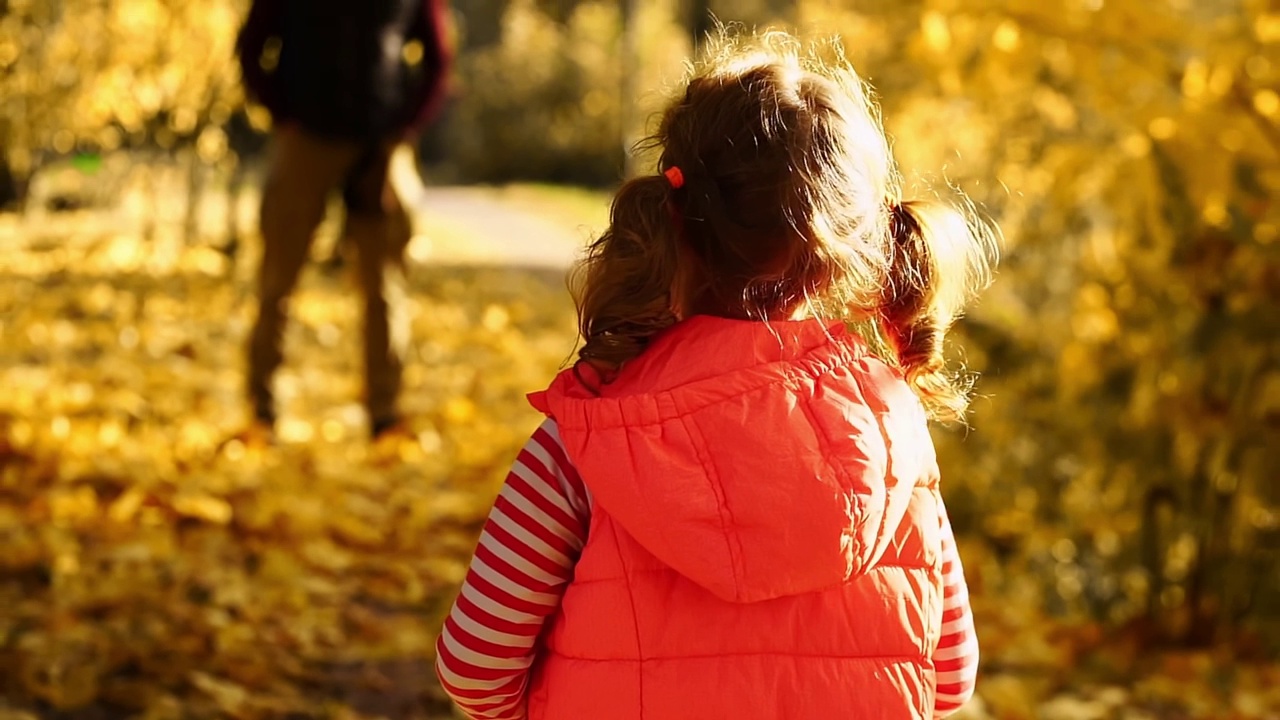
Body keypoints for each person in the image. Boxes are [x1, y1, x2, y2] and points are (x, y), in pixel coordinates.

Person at [435, 30, 994, 720]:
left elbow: (475, 666)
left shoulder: (585, 442)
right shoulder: (894, 438)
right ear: (847, 249)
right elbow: (947, 680)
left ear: (673, 213)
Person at [234, 0, 450, 441]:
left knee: (385, 284)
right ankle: (262, 407)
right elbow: (251, 47)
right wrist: (283, 116)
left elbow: (437, 59)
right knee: (278, 278)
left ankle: (385, 413)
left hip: (382, 145)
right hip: (306, 140)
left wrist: (406, 129)